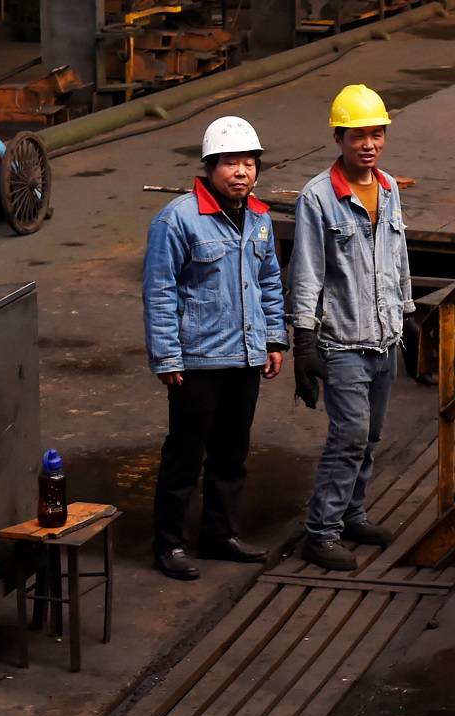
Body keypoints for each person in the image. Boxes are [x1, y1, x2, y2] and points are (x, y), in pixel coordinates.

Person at [142, 116, 286, 581]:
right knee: (185, 455)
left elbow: (269, 282)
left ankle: (219, 535)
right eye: (230, 163)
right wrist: (166, 356)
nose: (241, 172)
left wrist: (274, 339)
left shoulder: (261, 219)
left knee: (231, 454)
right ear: (209, 168)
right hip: (197, 360)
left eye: (248, 162)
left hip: (244, 357)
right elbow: (160, 290)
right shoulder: (177, 219)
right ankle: (170, 545)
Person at [289, 84, 417, 571]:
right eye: (359, 135)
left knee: (372, 436)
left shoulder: (387, 188)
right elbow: (306, 273)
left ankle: (353, 515)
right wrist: (303, 342)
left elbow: (399, 257)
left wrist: (408, 313)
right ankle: (320, 533)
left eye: (377, 134)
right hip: (342, 342)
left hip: (386, 337)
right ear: (339, 139)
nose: (369, 144)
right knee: (348, 436)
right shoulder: (318, 199)